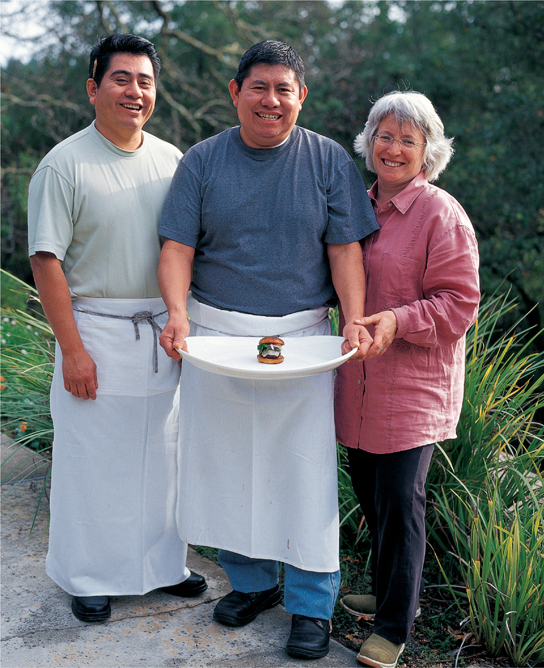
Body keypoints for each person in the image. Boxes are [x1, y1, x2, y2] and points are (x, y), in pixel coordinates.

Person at [157, 40, 378, 660]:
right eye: (259, 87)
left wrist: (355, 320)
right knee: (229, 468)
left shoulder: (329, 161)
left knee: (304, 476)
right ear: (235, 92)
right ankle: (252, 584)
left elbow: (345, 249)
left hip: (301, 337)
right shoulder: (202, 161)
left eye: (284, 89)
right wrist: (177, 316)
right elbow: (177, 247)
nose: (271, 100)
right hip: (216, 335)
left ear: (301, 96)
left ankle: (311, 606)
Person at [27, 33, 207, 623]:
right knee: (92, 462)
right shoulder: (64, 164)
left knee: (164, 455)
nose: (134, 91)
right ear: (93, 88)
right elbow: (45, 261)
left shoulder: (172, 160)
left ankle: (164, 569)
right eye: (121, 78)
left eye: (145, 81)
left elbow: (183, 247)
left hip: (160, 332)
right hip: (94, 330)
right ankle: (88, 576)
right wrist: (72, 350)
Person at [335, 90, 480, 668]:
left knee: (400, 498)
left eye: (408, 140)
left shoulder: (441, 213)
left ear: (428, 153)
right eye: (384, 136)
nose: (393, 148)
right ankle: (391, 588)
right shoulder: (355, 205)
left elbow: (459, 303)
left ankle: (395, 626)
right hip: (358, 380)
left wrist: (397, 319)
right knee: (371, 495)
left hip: (413, 385)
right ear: (369, 143)